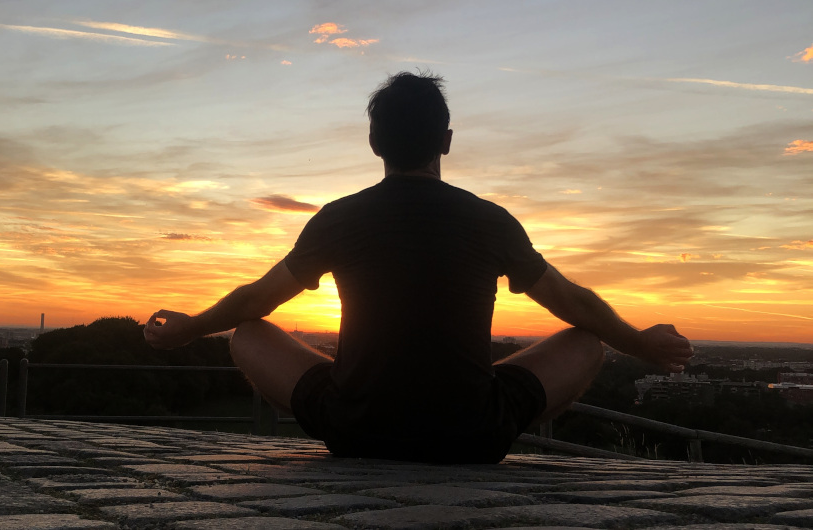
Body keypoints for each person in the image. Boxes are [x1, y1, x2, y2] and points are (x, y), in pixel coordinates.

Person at [144, 71, 694, 463]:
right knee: (587, 342)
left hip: (357, 430)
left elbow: (255, 302)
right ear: (447, 142)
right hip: (472, 436)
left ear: (374, 142)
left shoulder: (339, 218)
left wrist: (187, 329)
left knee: (247, 334)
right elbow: (574, 304)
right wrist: (641, 343)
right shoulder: (490, 220)